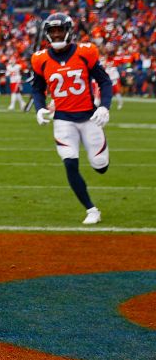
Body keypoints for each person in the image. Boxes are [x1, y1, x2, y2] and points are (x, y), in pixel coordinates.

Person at [30, 12, 112, 225]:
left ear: (68, 31)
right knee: (70, 164)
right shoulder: (41, 59)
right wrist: (39, 108)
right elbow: (37, 89)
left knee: (101, 166)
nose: (56, 35)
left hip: (88, 118)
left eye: (60, 30)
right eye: (52, 31)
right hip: (63, 120)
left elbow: (104, 81)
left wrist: (104, 107)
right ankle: (91, 209)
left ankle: (100, 158)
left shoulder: (86, 52)